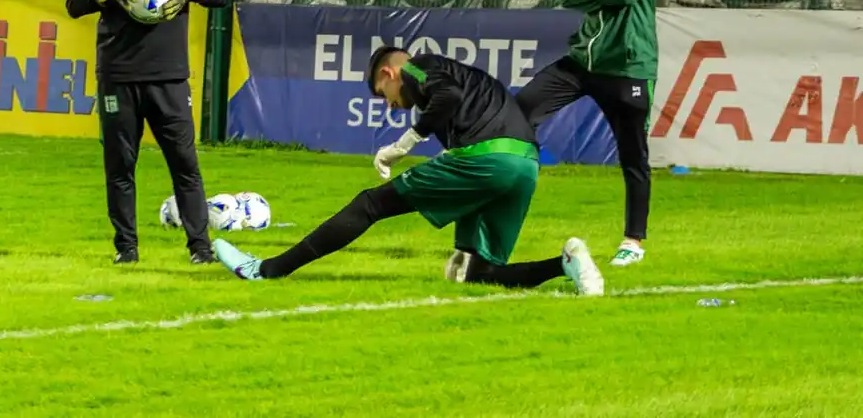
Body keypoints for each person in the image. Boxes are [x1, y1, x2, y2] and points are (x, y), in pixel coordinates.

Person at [212, 47, 604, 297]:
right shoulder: (466, 79)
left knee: (369, 204)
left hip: (488, 160)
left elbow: (445, 97)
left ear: (388, 73)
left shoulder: (419, 67)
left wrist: (405, 143)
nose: (395, 106)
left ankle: (266, 270)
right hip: (525, 166)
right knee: (479, 274)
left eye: (386, 97)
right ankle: (566, 263)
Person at [66, 0, 231, 266]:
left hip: (169, 77)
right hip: (118, 77)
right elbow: (74, 3)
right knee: (120, 166)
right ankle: (127, 249)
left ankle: (200, 249)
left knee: (185, 164)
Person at [516, 0, 662, 268]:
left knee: (633, 156)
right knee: (519, 110)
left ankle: (633, 241)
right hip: (583, 59)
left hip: (628, 63)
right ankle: (503, 200)